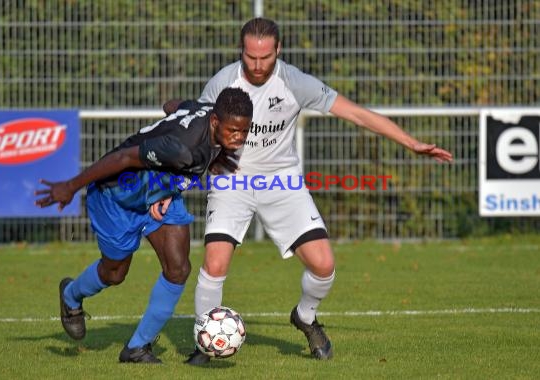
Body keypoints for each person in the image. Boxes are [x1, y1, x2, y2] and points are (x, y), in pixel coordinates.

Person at [180, 18, 453, 364]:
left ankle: (305, 317)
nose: (258, 65)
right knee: (215, 263)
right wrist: (202, 165)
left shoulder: (294, 82)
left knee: (324, 265)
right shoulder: (223, 81)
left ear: (278, 50)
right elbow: (197, 128)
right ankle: (205, 342)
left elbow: (356, 114)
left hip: (283, 181)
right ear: (241, 51)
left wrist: (411, 142)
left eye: (265, 57)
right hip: (233, 180)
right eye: (251, 57)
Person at [34, 87, 253, 364]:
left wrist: (170, 183)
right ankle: (71, 295)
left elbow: (171, 105)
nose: (239, 137)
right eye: (233, 130)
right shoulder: (181, 146)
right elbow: (124, 158)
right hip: (115, 195)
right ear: (214, 121)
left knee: (178, 268)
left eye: (244, 131)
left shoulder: (207, 113)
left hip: (157, 194)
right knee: (114, 273)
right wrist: (71, 186)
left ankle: (137, 347)